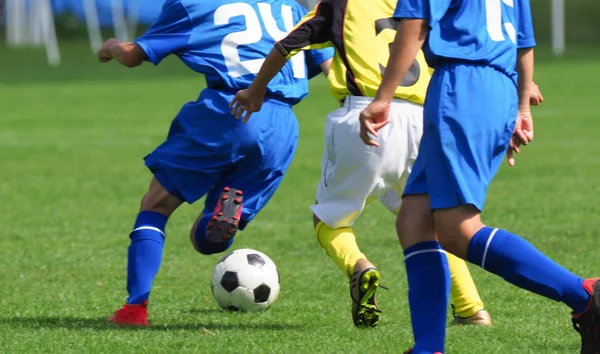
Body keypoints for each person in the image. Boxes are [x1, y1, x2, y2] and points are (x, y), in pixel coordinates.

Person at [229, 0, 502, 328]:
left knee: (329, 218)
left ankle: (359, 267)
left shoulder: (340, 5)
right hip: (425, 119)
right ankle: (472, 309)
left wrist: (255, 90)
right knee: (432, 220)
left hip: (367, 115)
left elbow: (286, 45)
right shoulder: (419, 5)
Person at [359, 0, 599, 352]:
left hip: (462, 85)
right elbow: (523, 40)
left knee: (458, 231)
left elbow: (415, 23)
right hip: (493, 83)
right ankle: (429, 347)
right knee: (414, 221)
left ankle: (585, 294)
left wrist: (383, 97)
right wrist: (518, 106)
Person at [96, 0, 333, 326]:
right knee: (203, 239)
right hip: (283, 126)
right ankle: (221, 220)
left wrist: (110, 47)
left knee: (156, 206)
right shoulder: (290, 7)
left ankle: (135, 309)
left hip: (232, 108)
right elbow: (328, 62)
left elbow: (134, 54)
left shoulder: (194, 4)